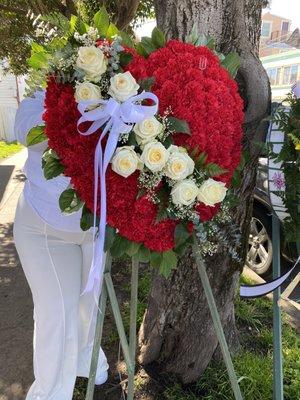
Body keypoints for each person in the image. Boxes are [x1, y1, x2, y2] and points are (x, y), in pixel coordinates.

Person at [13, 91, 108, 400]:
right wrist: (80, 113)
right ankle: (50, 392)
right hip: (43, 230)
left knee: (89, 303)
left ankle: (84, 360)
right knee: (57, 311)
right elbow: (28, 133)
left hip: (94, 227)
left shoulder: (117, 101)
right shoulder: (37, 101)